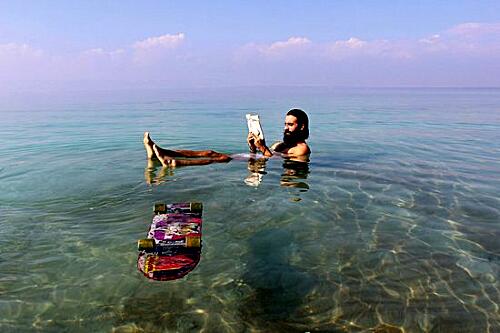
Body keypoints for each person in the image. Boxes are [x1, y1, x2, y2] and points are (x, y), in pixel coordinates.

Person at [143, 132, 232, 167]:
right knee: (210, 153)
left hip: (243, 159)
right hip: (243, 155)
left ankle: (173, 162)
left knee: (224, 158)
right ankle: (159, 153)